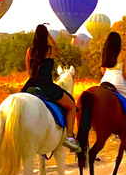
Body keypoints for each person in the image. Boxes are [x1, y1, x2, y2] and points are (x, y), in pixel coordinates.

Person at [21, 24, 81, 152]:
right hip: (46, 86)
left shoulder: (29, 51)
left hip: (31, 84)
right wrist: (49, 36)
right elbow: (59, 51)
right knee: (72, 107)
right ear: (46, 36)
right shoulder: (50, 51)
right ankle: (69, 138)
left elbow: (29, 70)